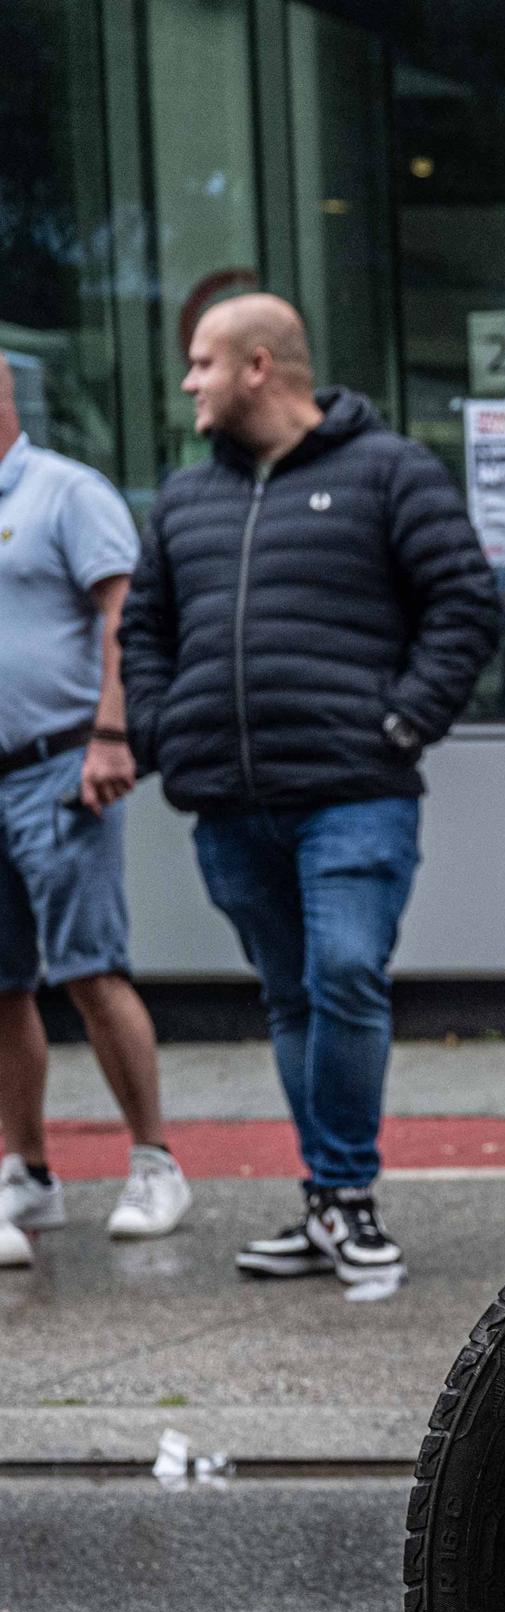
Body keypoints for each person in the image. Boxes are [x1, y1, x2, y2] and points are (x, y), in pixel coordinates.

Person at [119, 292, 496, 1286]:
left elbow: (465, 603)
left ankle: (345, 1193)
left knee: (343, 975)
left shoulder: (389, 472)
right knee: (291, 998)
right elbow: (144, 633)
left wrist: (403, 722)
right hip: (230, 801)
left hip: (353, 792)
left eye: (201, 362)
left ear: (256, 364)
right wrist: (161, 731)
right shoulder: (185, 499)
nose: (187, 382)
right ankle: (329, 1199)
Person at [0, 357, 183, 1266]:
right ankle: (26, 1172)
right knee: (1, 984)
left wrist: (114, 735)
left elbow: (126, 617)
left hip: (59, 767)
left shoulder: (64, 494)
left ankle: (154, 1161)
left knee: (89, 969)